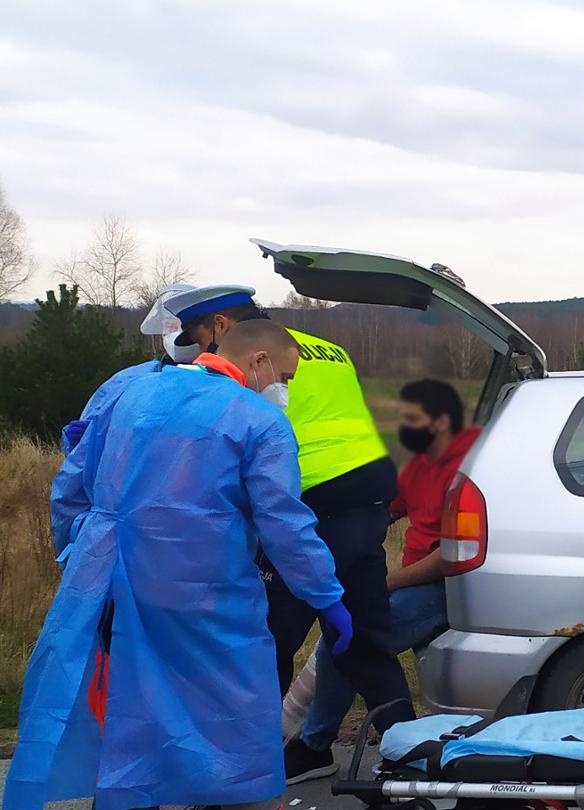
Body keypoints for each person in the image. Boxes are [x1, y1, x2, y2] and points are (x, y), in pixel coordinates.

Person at [4, 320, 352, 810]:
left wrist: (80, 562)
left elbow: (71, 486)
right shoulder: (259, 420)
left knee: (129, 706)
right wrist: (327, 596)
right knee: (237, 715)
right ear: (259, 362)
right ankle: (241, 798)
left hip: (112, 585)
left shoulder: (129, 392)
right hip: (205, 592)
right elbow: (285, 526)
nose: (284, 389)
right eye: (287, 377)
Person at [164, 284, 415, 780]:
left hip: (310, 509)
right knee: (367, 641)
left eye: (197, 336)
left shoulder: (248, 363)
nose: (199, 350)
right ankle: (410, 758)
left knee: (265, 643)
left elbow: (238, 440)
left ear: (220, 326)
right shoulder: (329, 349)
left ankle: (243, 770)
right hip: (370, 504)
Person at [286, 379, 478, 781]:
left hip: (449, 587)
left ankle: (317, 746)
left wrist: (388, 582)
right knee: (349, 639)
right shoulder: (423, 464)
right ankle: (387, 746)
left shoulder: (467, 470)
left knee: (353, 640)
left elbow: (450, 557)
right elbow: (383, 508)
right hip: (413, 582)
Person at [60, 282, 202, 449]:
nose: (176, 334)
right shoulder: (128, 380)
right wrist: (81, 443)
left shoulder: (226, 382)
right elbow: (94, 438)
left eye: (183, 327)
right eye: (170, 326)